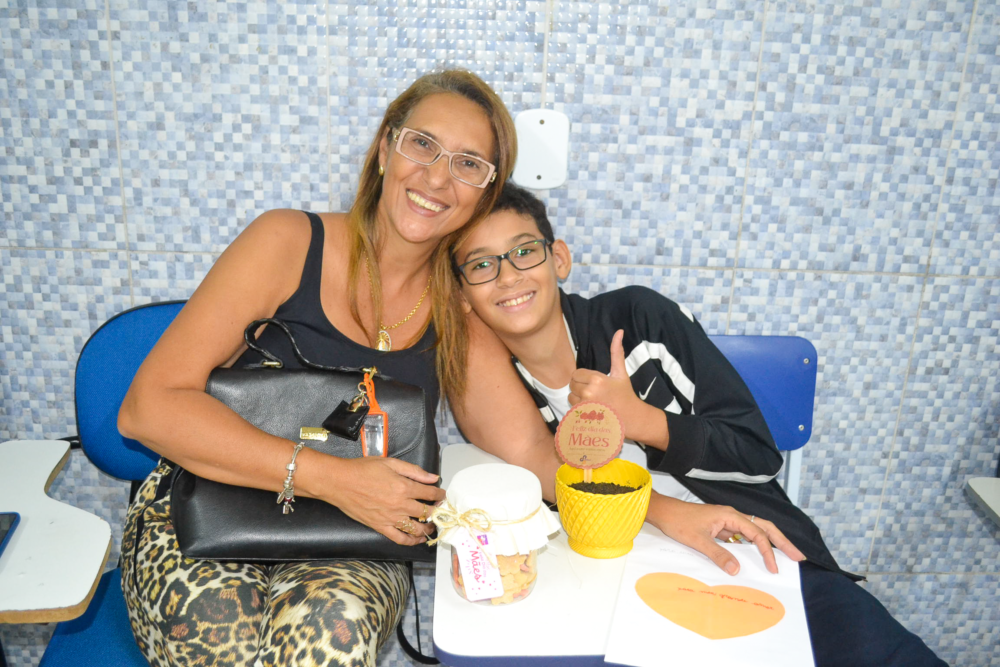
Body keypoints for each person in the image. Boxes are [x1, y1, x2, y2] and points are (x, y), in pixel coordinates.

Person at [451, 182, 947, 667]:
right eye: (481, 264)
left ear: (558, 258)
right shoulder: (497, 387)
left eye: (524, 252)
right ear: (463, 293)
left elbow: (757, 454)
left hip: (748, 545)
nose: (508, 276)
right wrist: (668, 514)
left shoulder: (638, 321)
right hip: (612, 578)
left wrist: (644, 421)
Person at [116, 70, 516, 667]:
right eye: (422, 144)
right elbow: (146, 409)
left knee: (333, 634)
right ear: (385, 148)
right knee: (222, 635)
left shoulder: (461, 308)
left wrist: (651, 484)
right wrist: (335, 478)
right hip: (204, 503)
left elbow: (529, 451)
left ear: (486, 191)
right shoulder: (286, 241)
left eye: (468, 164)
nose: (437, 177)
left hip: (356, 535)